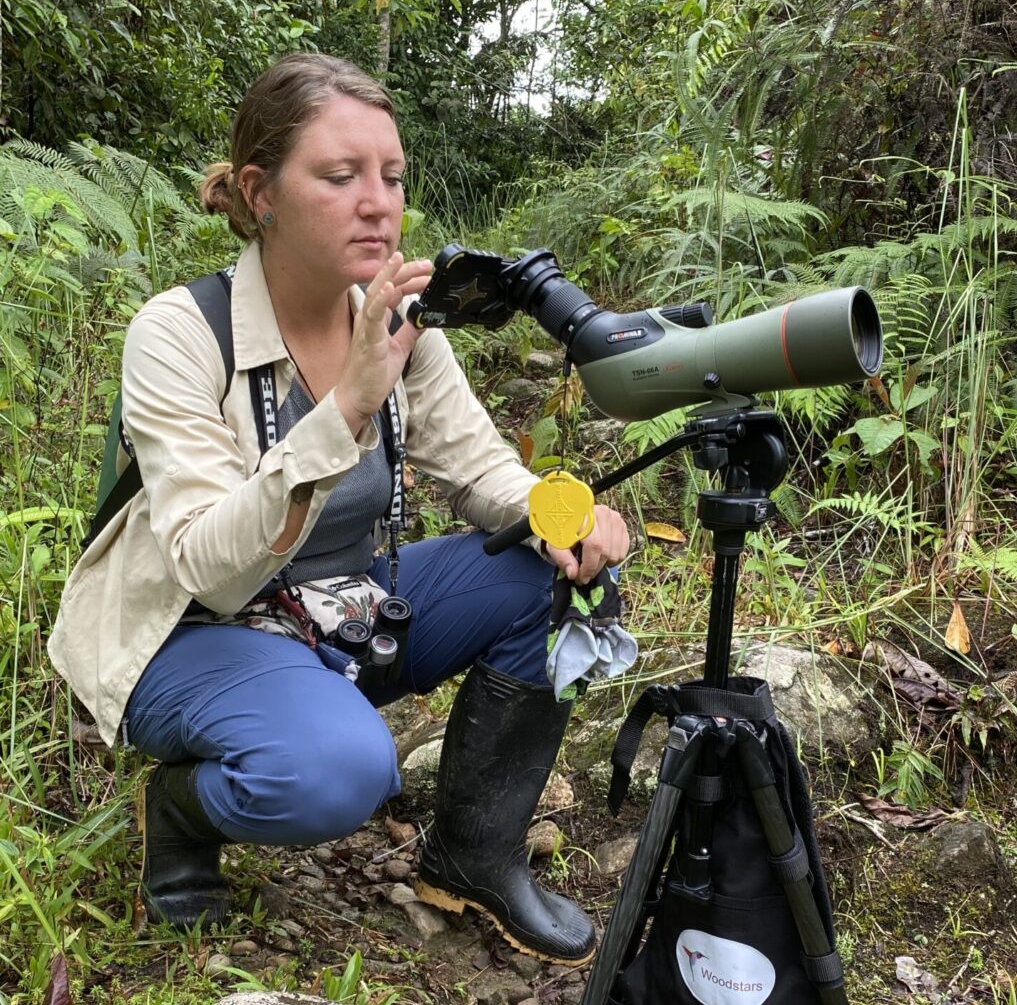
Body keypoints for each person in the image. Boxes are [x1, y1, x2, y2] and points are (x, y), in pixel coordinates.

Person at [48, 53, 629, 966]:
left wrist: (570, 512)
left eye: (392, 177)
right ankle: (181, 808)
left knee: (549, 573)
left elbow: (484, 473)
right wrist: (349, 403)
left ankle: (473, 855)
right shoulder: (177, 332)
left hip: (340, 607)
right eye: (340, 175)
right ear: (260, 190)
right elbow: (207, 561)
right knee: (344, 773)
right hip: (191, 633)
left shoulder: (403, 323)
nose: (379, 202)